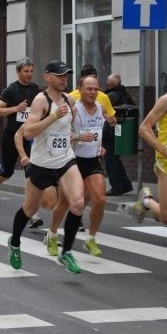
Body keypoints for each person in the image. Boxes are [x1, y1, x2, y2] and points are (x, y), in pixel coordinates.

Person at [7, 60, 84, 274]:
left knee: (77, 203)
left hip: (65, 160)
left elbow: (68, 129)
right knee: (30, 209)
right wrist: (52, 117)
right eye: (59, 76)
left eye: (66, 76)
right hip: (41, 164)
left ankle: (66, 252)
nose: (64, 79)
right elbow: (28, 132)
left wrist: (77, 137)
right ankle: (14, 243)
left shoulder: (70, 100)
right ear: (48, 77)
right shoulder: (41, 100)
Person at [43, 76, 113, 257]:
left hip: (92, 161)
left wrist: (100, 146)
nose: (92, 92)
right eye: (89, 89)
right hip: (72, 162)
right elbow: (60, 134)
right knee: (64, 204)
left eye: (96, 89)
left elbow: (97, 132)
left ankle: (90, 239)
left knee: (100, 199)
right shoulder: (74, 110)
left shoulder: (100, 108)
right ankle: (51, 233)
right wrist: (77, 137)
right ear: (80, 90)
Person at [0, 57, 44, 228]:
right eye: (26, 71)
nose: (29, 74)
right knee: (6, 172)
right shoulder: (11, 90)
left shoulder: (35, 89)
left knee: (32, 172)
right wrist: (16, 109)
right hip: (12, 137)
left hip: (30, 136)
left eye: (31, 71)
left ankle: (33, 213)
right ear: (18, 72)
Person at [132, 88, 167, 225]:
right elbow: (144, 128)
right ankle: (146, 200)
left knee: (165, 213)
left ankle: (162, 208)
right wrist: (165, 151)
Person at [103, 73, 134, 195]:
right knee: (116, 159)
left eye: (108, 80)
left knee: (111, 161)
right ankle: (125, 184)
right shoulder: (124, 94)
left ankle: (116, 187)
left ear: (111, 83)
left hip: (110, 132)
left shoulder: (110, 96)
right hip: (119, 132)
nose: (106, 82)